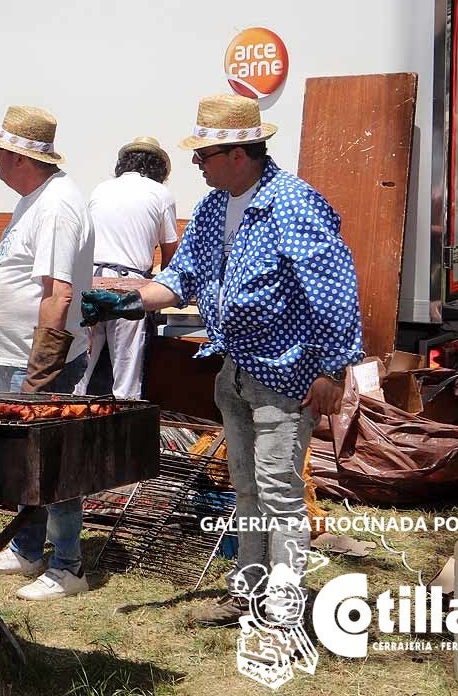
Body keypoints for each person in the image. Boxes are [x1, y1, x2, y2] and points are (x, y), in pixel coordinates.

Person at [83, 93, 362, 627]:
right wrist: (128, 300)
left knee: (279, 489)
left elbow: (334, 292)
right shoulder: (214, 209)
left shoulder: (294, 205)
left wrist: (332, 370)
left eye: (203, 156)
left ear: (239, 154)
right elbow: (181, 278)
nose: (195, 166)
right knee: (246, 486)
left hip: (287, 373)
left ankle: (283, 604)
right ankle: (248, 596)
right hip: (234, 371)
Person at [0, 105, 94, 601]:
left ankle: (68, 565)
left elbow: (59, 293)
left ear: (19, 157)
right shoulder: (36, 198)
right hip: (13, 357)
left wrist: (41, 371)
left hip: (39, 362)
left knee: (54, 463)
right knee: (27, 466)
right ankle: (28, 549)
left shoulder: (56, 206)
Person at [76, 136, 179, 399]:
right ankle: (124, 432)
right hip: (128, 286)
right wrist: (162, 294)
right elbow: (171, 254)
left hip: (90, 282)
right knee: (126, 376)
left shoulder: (101, 189)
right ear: (159, 168)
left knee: (79, 371)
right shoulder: (161, 194)